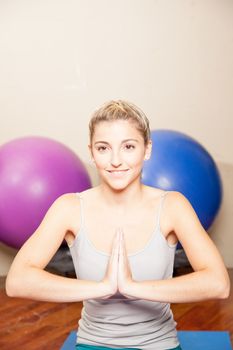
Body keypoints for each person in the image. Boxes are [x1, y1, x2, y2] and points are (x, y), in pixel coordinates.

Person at [6, 100, 230, 350]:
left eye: (128, 147)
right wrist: (103, 287)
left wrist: (132, 288)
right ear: (92, 152)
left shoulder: (172, 206)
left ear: (147, 149)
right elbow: (17, 282)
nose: (115, 160)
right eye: (103, 148)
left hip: (158, 344)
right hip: (93, 343)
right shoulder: (69, 208)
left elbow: (218, 283)